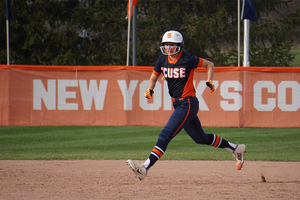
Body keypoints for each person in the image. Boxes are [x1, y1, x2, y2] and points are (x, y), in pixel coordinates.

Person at [127, 30, 246, 181]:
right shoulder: (162, 60)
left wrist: (210, 80)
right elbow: (153, 78)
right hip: (178, 104)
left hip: (188, 103)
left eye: (172, 44)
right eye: (166, 44)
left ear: (179, 45)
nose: (169, 47)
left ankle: (144, 168)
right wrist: (150, 89)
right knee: (200, 138)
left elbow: (209, 64)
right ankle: (236, 148)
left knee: (165, 135)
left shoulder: (187, 58)